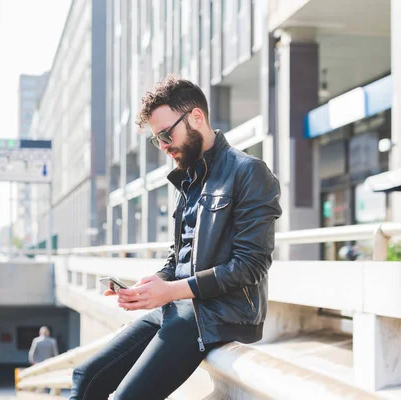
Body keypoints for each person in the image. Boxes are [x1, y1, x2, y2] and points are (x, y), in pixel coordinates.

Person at [70, 75, 282, 400]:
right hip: (181, 305)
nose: (164, 146)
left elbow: (250, 266)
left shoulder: (249, 172)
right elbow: (178, 259)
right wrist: (151, 285)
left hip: (222, 312)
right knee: (86, 376)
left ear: (197, 117)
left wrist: (169, 290)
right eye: (158, 139)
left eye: (167, 134)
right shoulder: (189, 179)